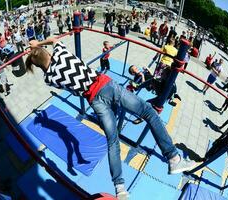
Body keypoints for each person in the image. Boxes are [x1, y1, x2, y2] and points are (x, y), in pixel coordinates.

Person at [26, 37, 196, 199]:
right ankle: (173, 158)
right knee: (149, 112)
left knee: (112, 140)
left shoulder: (49, 79)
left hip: (93, 100)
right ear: (47, 53)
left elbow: (45, 62)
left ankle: (119, 187)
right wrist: (37, 44)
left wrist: (35, 52)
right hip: (105, 86)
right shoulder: (60, 53)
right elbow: (55, 40)